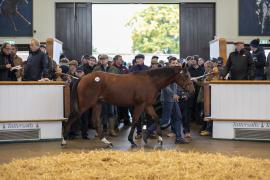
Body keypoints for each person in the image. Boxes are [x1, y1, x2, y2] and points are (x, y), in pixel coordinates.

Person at [145, 57, 189, 144]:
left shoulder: (176, 72)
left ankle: (178, 138)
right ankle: (148, 131)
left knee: (178, 117)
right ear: (169, 64)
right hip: (167, 99)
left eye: (176, 63)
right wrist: (173, 94)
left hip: (174, 99)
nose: (175, 64)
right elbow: (165, 86)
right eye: (173, 63)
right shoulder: (166, 73)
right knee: (165, 120)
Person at [93, 54, 120, 137]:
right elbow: (94, 80)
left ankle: (111, 130)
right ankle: (99, 131)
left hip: (111, 94)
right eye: (101, 59)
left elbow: (118, 80)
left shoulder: (114, 69)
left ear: (107, 60)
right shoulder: (96, 69)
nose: (102, 61)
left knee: (111, 112)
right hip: (99, 94)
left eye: (104, 59)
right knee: (99, 113)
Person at [129, 54, 149, 139]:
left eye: (139, 59)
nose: (137, 60)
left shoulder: (147, 69)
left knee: (146, 115)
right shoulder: (132, 69)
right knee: (137, 115)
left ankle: (147, 131)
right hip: (135, 95)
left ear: (143, 59)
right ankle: (139, 132)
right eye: (136, 59)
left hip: (145, 95)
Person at [113, 55, 130, 126]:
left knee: (125, 106)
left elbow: (129, 77)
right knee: (117, 108)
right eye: (120, 59)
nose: (121, 60)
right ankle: (117, 122)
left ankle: (127, 120)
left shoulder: (124, 68)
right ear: (116, 60)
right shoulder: (112, 68)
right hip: (115, 91)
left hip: (124, 91)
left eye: (121, 59)